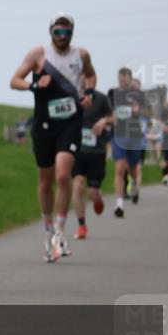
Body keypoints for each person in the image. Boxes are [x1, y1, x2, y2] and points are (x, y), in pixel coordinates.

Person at [10, 14, 96, 262]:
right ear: (51, 32)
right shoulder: (38, 54)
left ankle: (60, 230)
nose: (62, 37)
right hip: (44, 123)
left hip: (71, 121)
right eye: (58, 32)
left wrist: (88, 92)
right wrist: (34, 86)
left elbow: (91, 75)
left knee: (62, 174)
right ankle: (47, 228)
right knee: (46, 181)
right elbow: (15, 80)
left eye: (67, 33)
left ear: (72, 33)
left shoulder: (81, 55)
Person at [72, 88, 112, 240]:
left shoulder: (102, 99)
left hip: (97, 153)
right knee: (77, 184)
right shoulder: (72, 97)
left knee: (93, 193)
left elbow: (114, 117)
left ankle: (98, 200)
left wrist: (104, 120)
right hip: (78, 151)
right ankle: (81, 226)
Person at [107, 68, 146, 217]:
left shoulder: (138, 94)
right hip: (118, 135)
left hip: (134, 135)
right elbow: (108, 110)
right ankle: (119, 204)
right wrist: (111, 116)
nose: (122, 82)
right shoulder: (112, 93)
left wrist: (138, 109)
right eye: (120, 79)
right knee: (119, 168)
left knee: (132, 168)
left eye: (125, 79)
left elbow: (145, 111)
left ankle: (135, 183)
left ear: (130, 79)